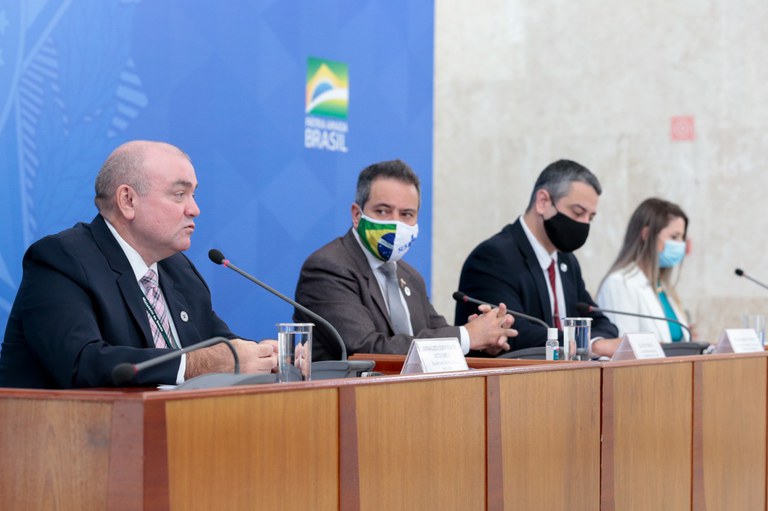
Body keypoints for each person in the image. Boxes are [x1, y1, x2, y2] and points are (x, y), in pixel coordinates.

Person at [0, 140, 277, 389]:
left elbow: (221, 346)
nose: (194, 209)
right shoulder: (62, 260)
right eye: (179, 194)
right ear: (128, 200)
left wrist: (267, 356)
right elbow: (82, 362)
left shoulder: (179, 270)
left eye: (193, 195)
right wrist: (198, 364)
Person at [294, 159, 517, 361]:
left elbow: (438, 337)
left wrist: (484, 340)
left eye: (406, 214)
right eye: (382, 211)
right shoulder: (328, 267)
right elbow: (364, 349)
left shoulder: (410, 277)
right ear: (356, 214)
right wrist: (467, 336)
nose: (395, 223)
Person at [455, 159, 620, 357]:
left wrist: (596, 342)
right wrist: (589, 345)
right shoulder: (493, 257)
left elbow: (600, 322)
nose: (584, 224)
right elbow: (515, 334)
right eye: (578, 212)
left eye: (590, 217)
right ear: (543, 202)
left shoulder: (567, 261)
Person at [596, 198, 693, 341]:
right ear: (647, 235)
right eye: (674, 237)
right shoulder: (619, 284)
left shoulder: (663, 286)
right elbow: (625, 349)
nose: (680, 244)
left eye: (682, 237)